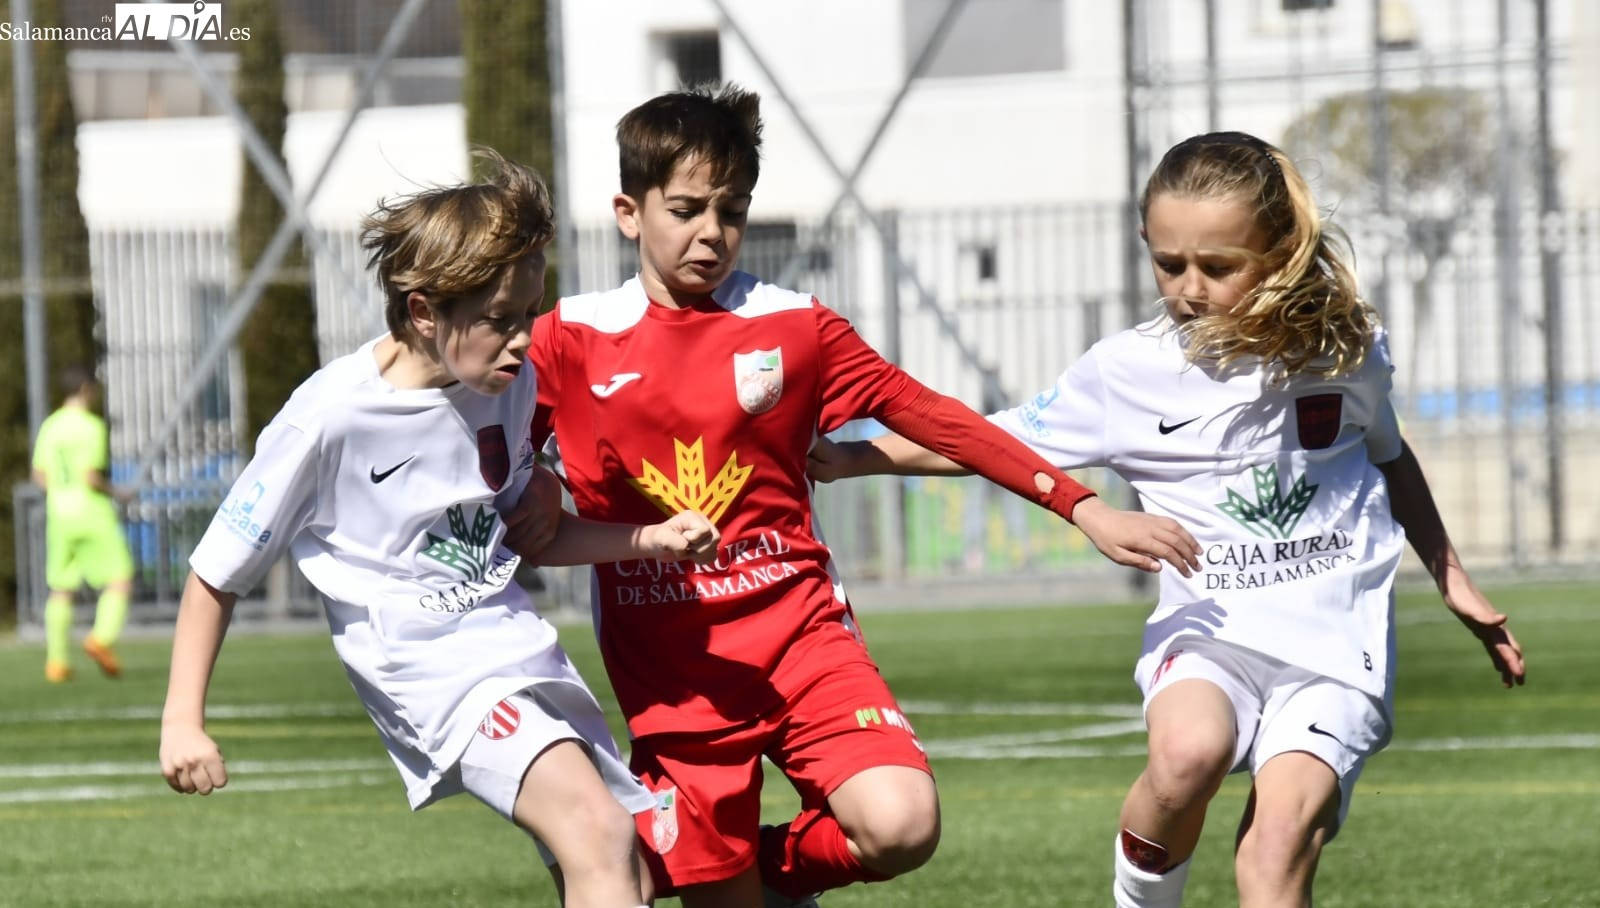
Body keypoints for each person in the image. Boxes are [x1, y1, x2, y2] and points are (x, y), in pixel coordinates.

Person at [806, 131, 1527, 908]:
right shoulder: (1127, 371)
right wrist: (856, 457)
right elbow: (995, 440)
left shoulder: (1345, 349)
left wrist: (1456, 584)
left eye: (1218, 268)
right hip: (1210, 624)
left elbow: (1391, 457)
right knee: (1189, 753)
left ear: (1279, 253)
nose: (1188, 287)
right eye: (1168, 262)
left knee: (1273, 854)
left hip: (1335, 640)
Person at [527, 83, 1201, 908]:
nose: (713, 232)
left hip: (802, 641)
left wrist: (1083, 506)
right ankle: (690, 866)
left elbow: (940, 420)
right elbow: (489, 455)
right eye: (687, 208)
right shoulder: (566, 341)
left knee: (902, 823)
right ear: (629, 213)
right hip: (677, 673)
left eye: (732, 210)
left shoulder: (795, 328)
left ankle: (704, 865)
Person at [158, 149, 720, 908]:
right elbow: (216, 571)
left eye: (529, 315)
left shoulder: (506, 386)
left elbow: (532, 536)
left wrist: (645, 539)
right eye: (498, 320)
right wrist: (183, 720)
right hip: (426, 668)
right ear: (423, 310)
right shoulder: (330, 416)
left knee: (627, 869)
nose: (522, 340)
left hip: (512, 641)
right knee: (598, 833)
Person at [32, 364, 136, 683]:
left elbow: (40, 475)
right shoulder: (90, 427)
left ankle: (57, 662)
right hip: (90, 512)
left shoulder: (50, 426)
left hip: (59, 514)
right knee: (120, 579)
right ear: (86, 389)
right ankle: (101, 638)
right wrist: (118, 492)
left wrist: (60, 495)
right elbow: (91, 476)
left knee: (61, 588)